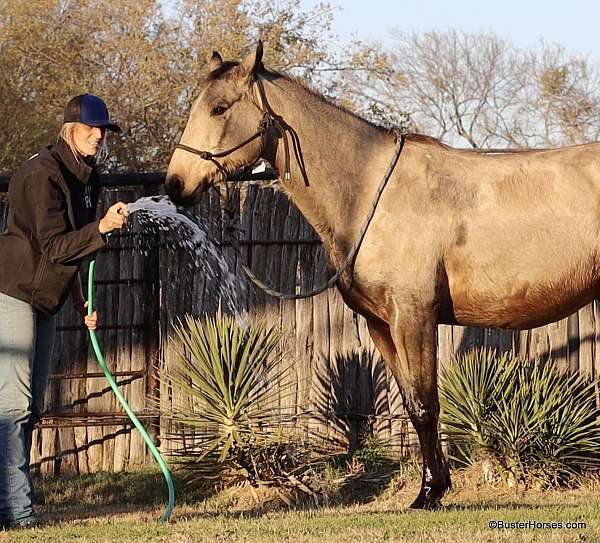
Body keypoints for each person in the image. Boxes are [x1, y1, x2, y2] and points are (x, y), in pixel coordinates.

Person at [0, 94, 128, 529]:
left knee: (31, 406)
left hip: (48, 298)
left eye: (104, 129)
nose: (99, 135)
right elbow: (56, 246)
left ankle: (10, 505)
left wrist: (77, 298)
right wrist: (103, 228)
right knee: (13, 406)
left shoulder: (88, 178)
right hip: (13, 292)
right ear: (70, 129)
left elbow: (70, 250)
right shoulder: (42, 174)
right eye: (93, 128)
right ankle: (18, 513)